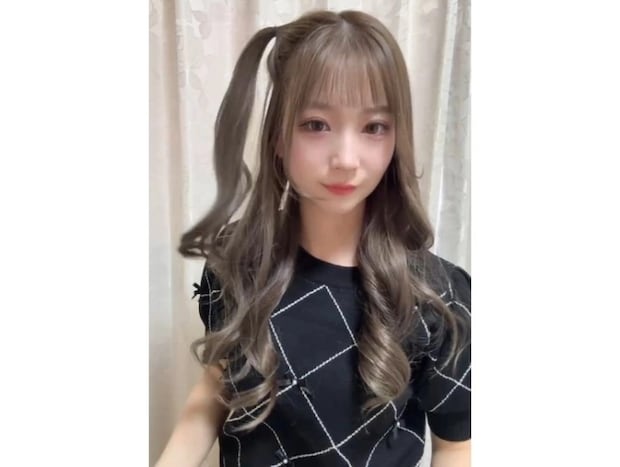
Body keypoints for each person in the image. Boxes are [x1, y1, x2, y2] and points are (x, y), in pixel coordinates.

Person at [156, 9, 471, 467]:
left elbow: (456, 443)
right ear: (278, 137)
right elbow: (217, 386)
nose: (346, 159)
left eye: (374, 127)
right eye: (316, 124)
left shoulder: (436, 298)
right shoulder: (235, 263)